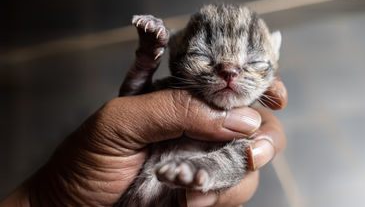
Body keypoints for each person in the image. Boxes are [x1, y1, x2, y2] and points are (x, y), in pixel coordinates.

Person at [1, 78, 287, 207]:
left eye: (253, 63)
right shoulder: (173, 93)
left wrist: (43, 200)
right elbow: (131, 104)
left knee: (241, 157)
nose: (229, 74)